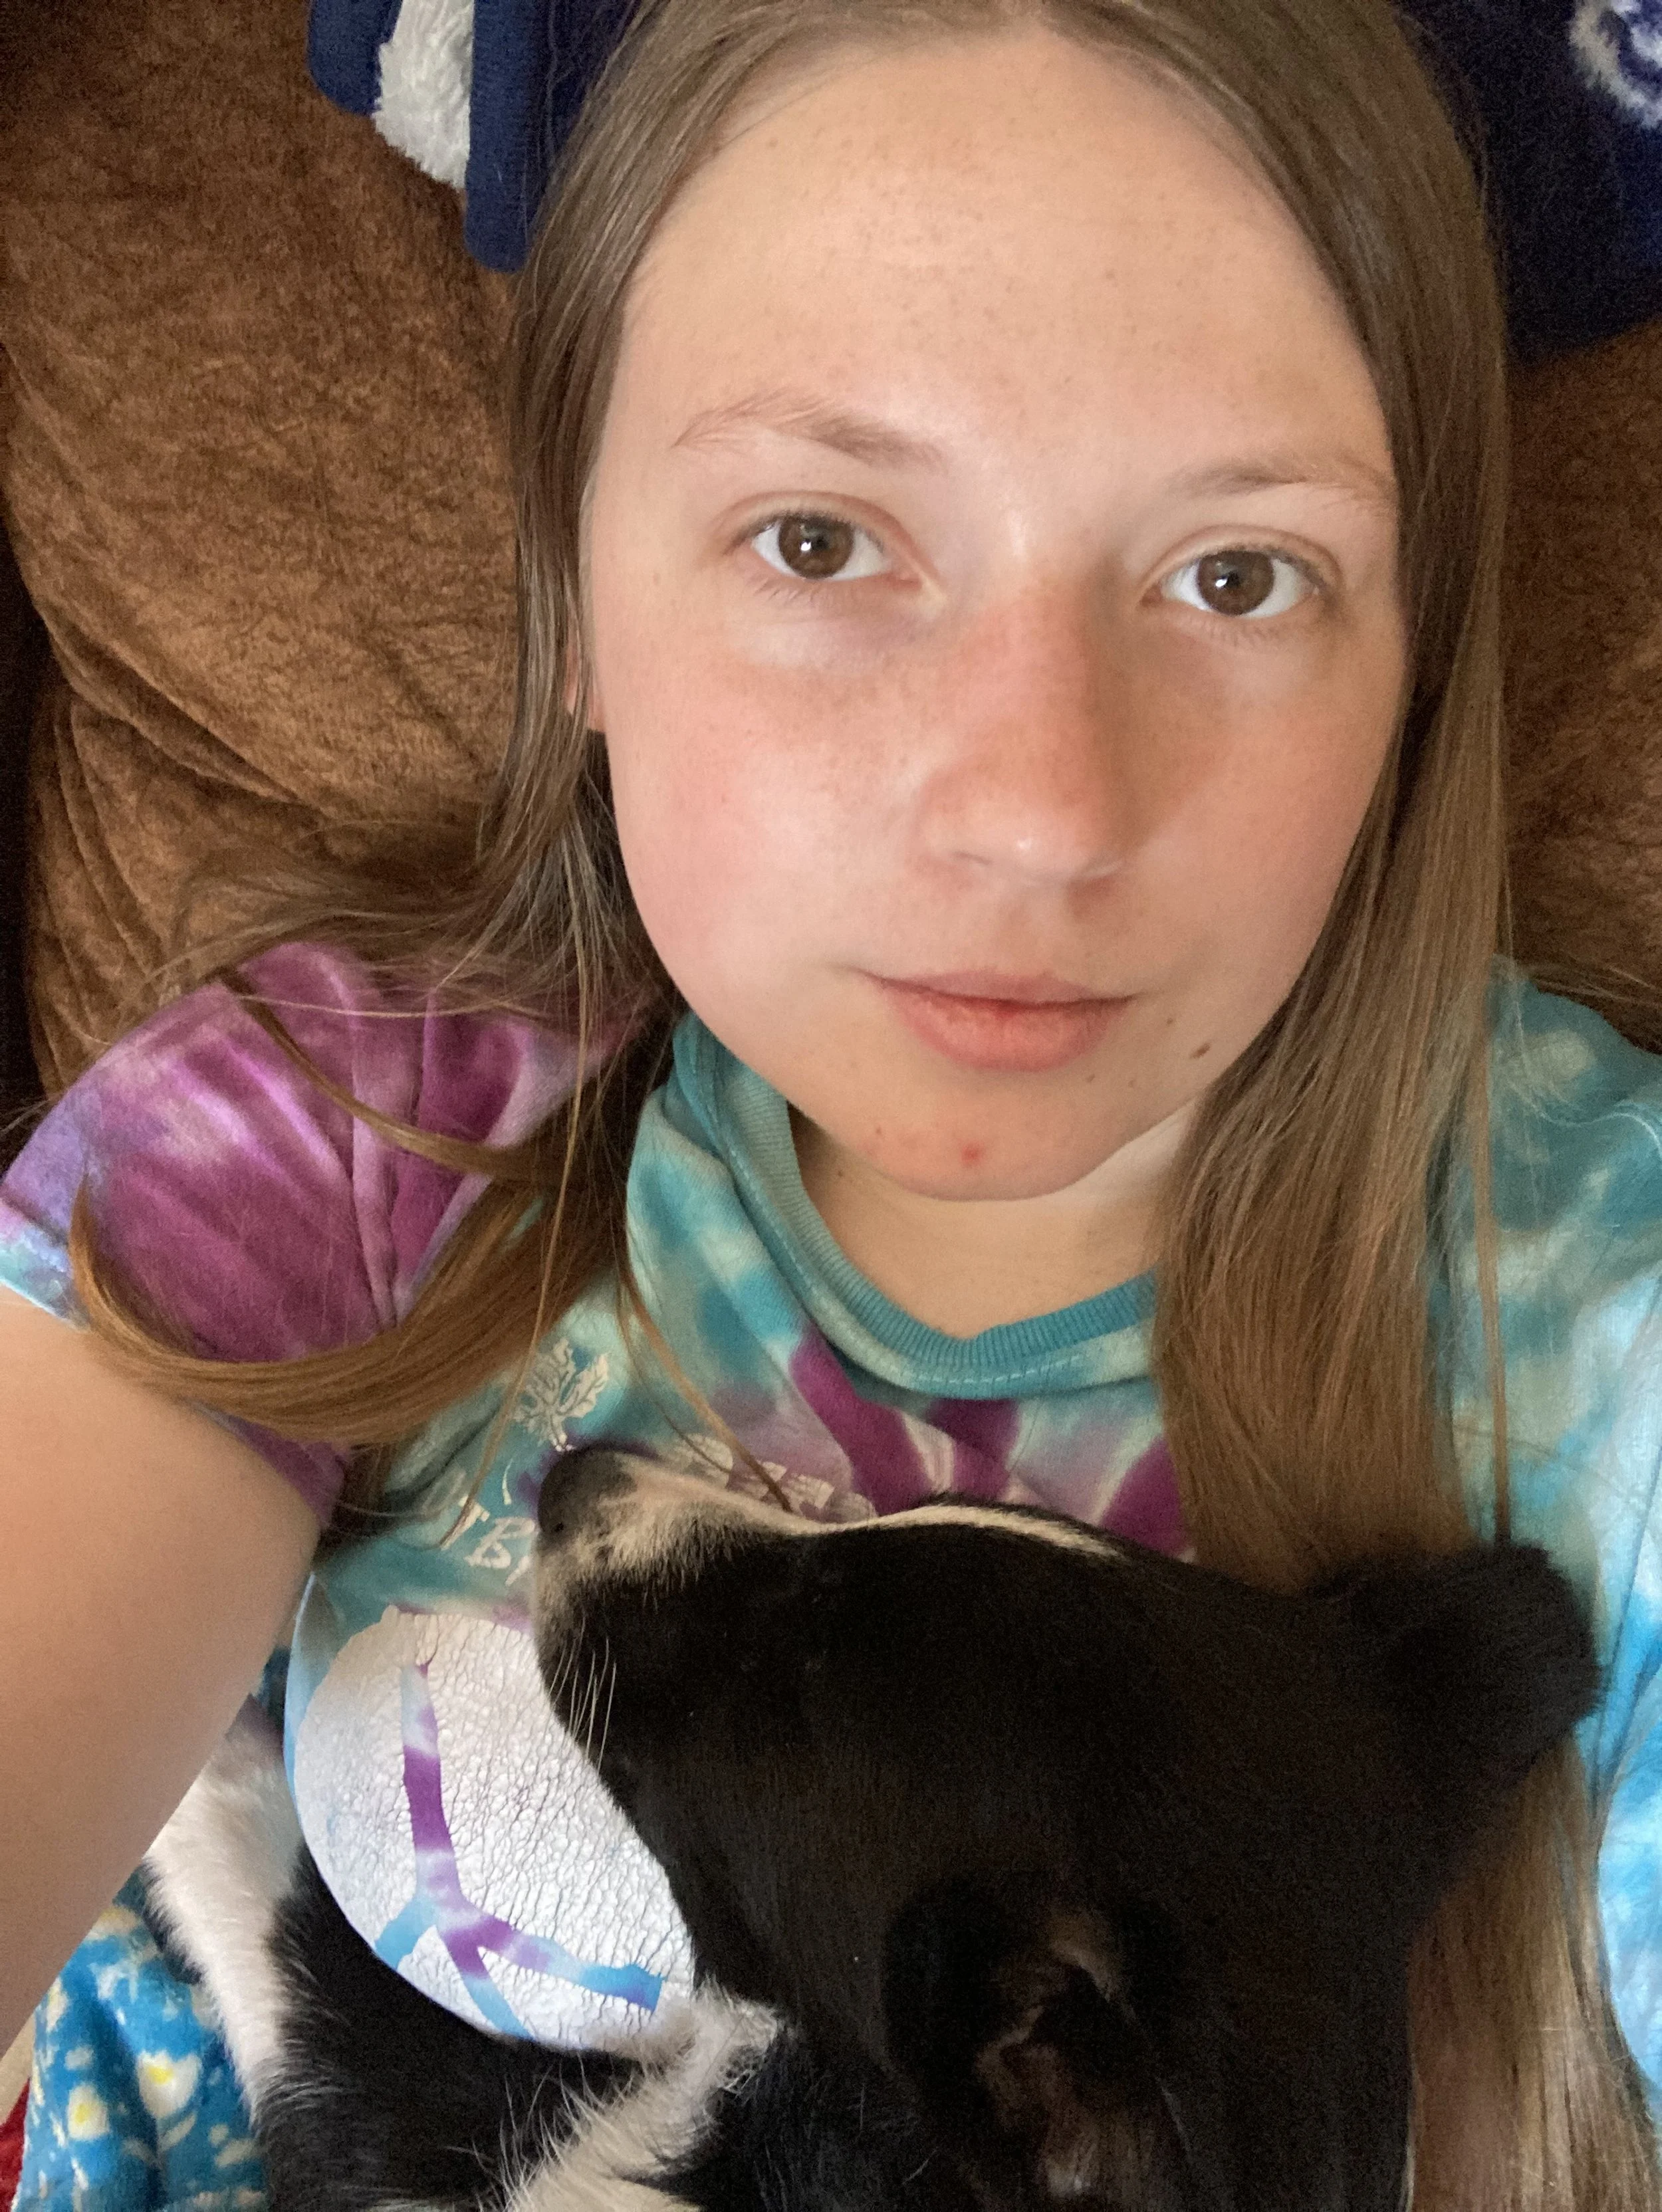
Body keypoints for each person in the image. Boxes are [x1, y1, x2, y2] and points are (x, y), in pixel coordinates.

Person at [1, 0, 1659, 2203]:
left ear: (1411, 648)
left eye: (1234, 574)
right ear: (574, 583)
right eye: (818, 540)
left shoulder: (1601, 1310)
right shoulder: (345, 1137)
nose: (1041, 809)